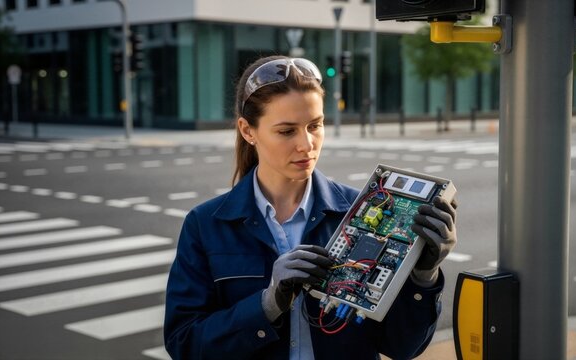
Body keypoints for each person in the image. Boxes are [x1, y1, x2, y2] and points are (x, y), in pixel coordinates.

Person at [163, 56, 458, 360]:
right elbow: (184, 343)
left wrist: (424, 275)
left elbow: (401, 347)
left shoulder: (364, 213)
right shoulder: (205, 225)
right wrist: (267, 305)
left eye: (315, 125)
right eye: (287, 131)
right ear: (248, 131)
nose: (307, 144)